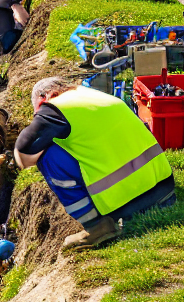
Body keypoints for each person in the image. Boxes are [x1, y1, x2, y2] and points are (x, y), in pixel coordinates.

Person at [14, 77, 175, 250]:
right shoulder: (91, 96)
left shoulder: (55, 107)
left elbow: (24, 153)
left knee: (48, 157)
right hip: (164, 189)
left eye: (37, 110)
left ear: (48, 95)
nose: (39, 114)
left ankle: (95, 225)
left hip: (127, 203)